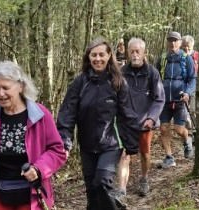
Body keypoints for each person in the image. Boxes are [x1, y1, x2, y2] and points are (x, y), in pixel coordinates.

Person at [0, 61, 67, 210]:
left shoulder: (40, 115)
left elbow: (57, 151)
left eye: (6, 88)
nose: (1, 93)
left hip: (32, 193)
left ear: (20, 87)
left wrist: (38, 169)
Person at [57, 37, 140, 210]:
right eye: (93, 55)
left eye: (101, 54)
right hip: (87, 145)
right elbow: (67, 112)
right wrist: (65, 139)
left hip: (111, 143)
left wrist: (131, 145)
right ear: (88, 57)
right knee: (92, 192)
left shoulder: (118, 82)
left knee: (102, 182)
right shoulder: (80, 83)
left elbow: (128, 113)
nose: (97, 59)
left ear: (109, 55)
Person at [115, 38, 165, 197]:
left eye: (138, 51)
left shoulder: (152, 73)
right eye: (132, 51)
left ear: (144, 53)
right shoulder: (121, 73)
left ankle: (144, 178)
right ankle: (121, 189)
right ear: (128, 53)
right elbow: (114, 95)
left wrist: (151, 118)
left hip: (145, 122)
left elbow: (159, 98)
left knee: (144, 153)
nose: (135, 55)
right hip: (125, 122)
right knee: (124, 154)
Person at [156, 31, 196, 168]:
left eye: (175, 41)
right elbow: (155, 77)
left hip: (180, 100)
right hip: (164, 99)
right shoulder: (162, 59)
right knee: (163, 128)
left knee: (179, 129)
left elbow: (192, 79)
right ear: (167, 42)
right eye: (170, 40)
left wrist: (188, 92)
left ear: (180, 43)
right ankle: (169, 156)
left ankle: (187, 140)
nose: (173, 43)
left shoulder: (186, 58)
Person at [181, 35, 199, 129]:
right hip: (183, 84)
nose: (186, 48)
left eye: (188, 46)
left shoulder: (197, 55)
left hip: (194, 84)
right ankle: (186, 126)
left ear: (192, 45)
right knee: (183, 106)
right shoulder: (179, 55)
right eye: (184, 45)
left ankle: (193, 128)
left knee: (193, 108)